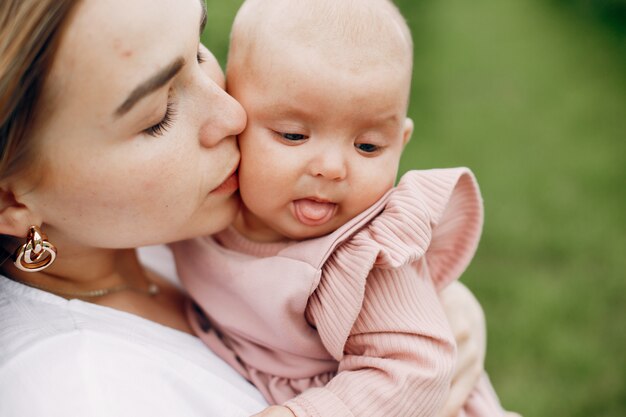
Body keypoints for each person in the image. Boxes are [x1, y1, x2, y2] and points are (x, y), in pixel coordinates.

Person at [0, 0, 496, 416]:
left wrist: (437, 302)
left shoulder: (146, 231)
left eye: (198, 50)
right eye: (157, 116)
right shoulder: (88, 389)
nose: (234, 112)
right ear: (10, 199)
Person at [172, 1, 511, 417]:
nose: (332, 169)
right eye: (294, 135)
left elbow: (416, 368)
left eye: (368, 146)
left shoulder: (359, 257)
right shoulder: (202, 207)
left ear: (400, 143)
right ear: (234, 110)